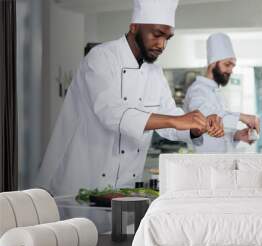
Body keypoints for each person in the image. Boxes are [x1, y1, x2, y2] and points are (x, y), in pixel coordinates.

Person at [35, 0, 224, 196]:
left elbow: (169, 117)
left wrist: (195, 126)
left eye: (168, 38)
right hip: (77, 184)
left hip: (122, 189)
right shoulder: (101, 57)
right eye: (157, 34)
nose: (162, 45)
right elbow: (111, 113)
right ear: (134, 27)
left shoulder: (155, 73)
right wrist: (176, 120)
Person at [183, 33, 260, 153]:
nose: (230, 70)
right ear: (213, 63)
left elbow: (219, 129)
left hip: (221, 162)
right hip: (203, 163)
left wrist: (237, 135)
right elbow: (205, 118)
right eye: (227, 64)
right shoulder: (198, 90)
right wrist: (241, 117)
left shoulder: (217, 92)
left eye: (233, 66)